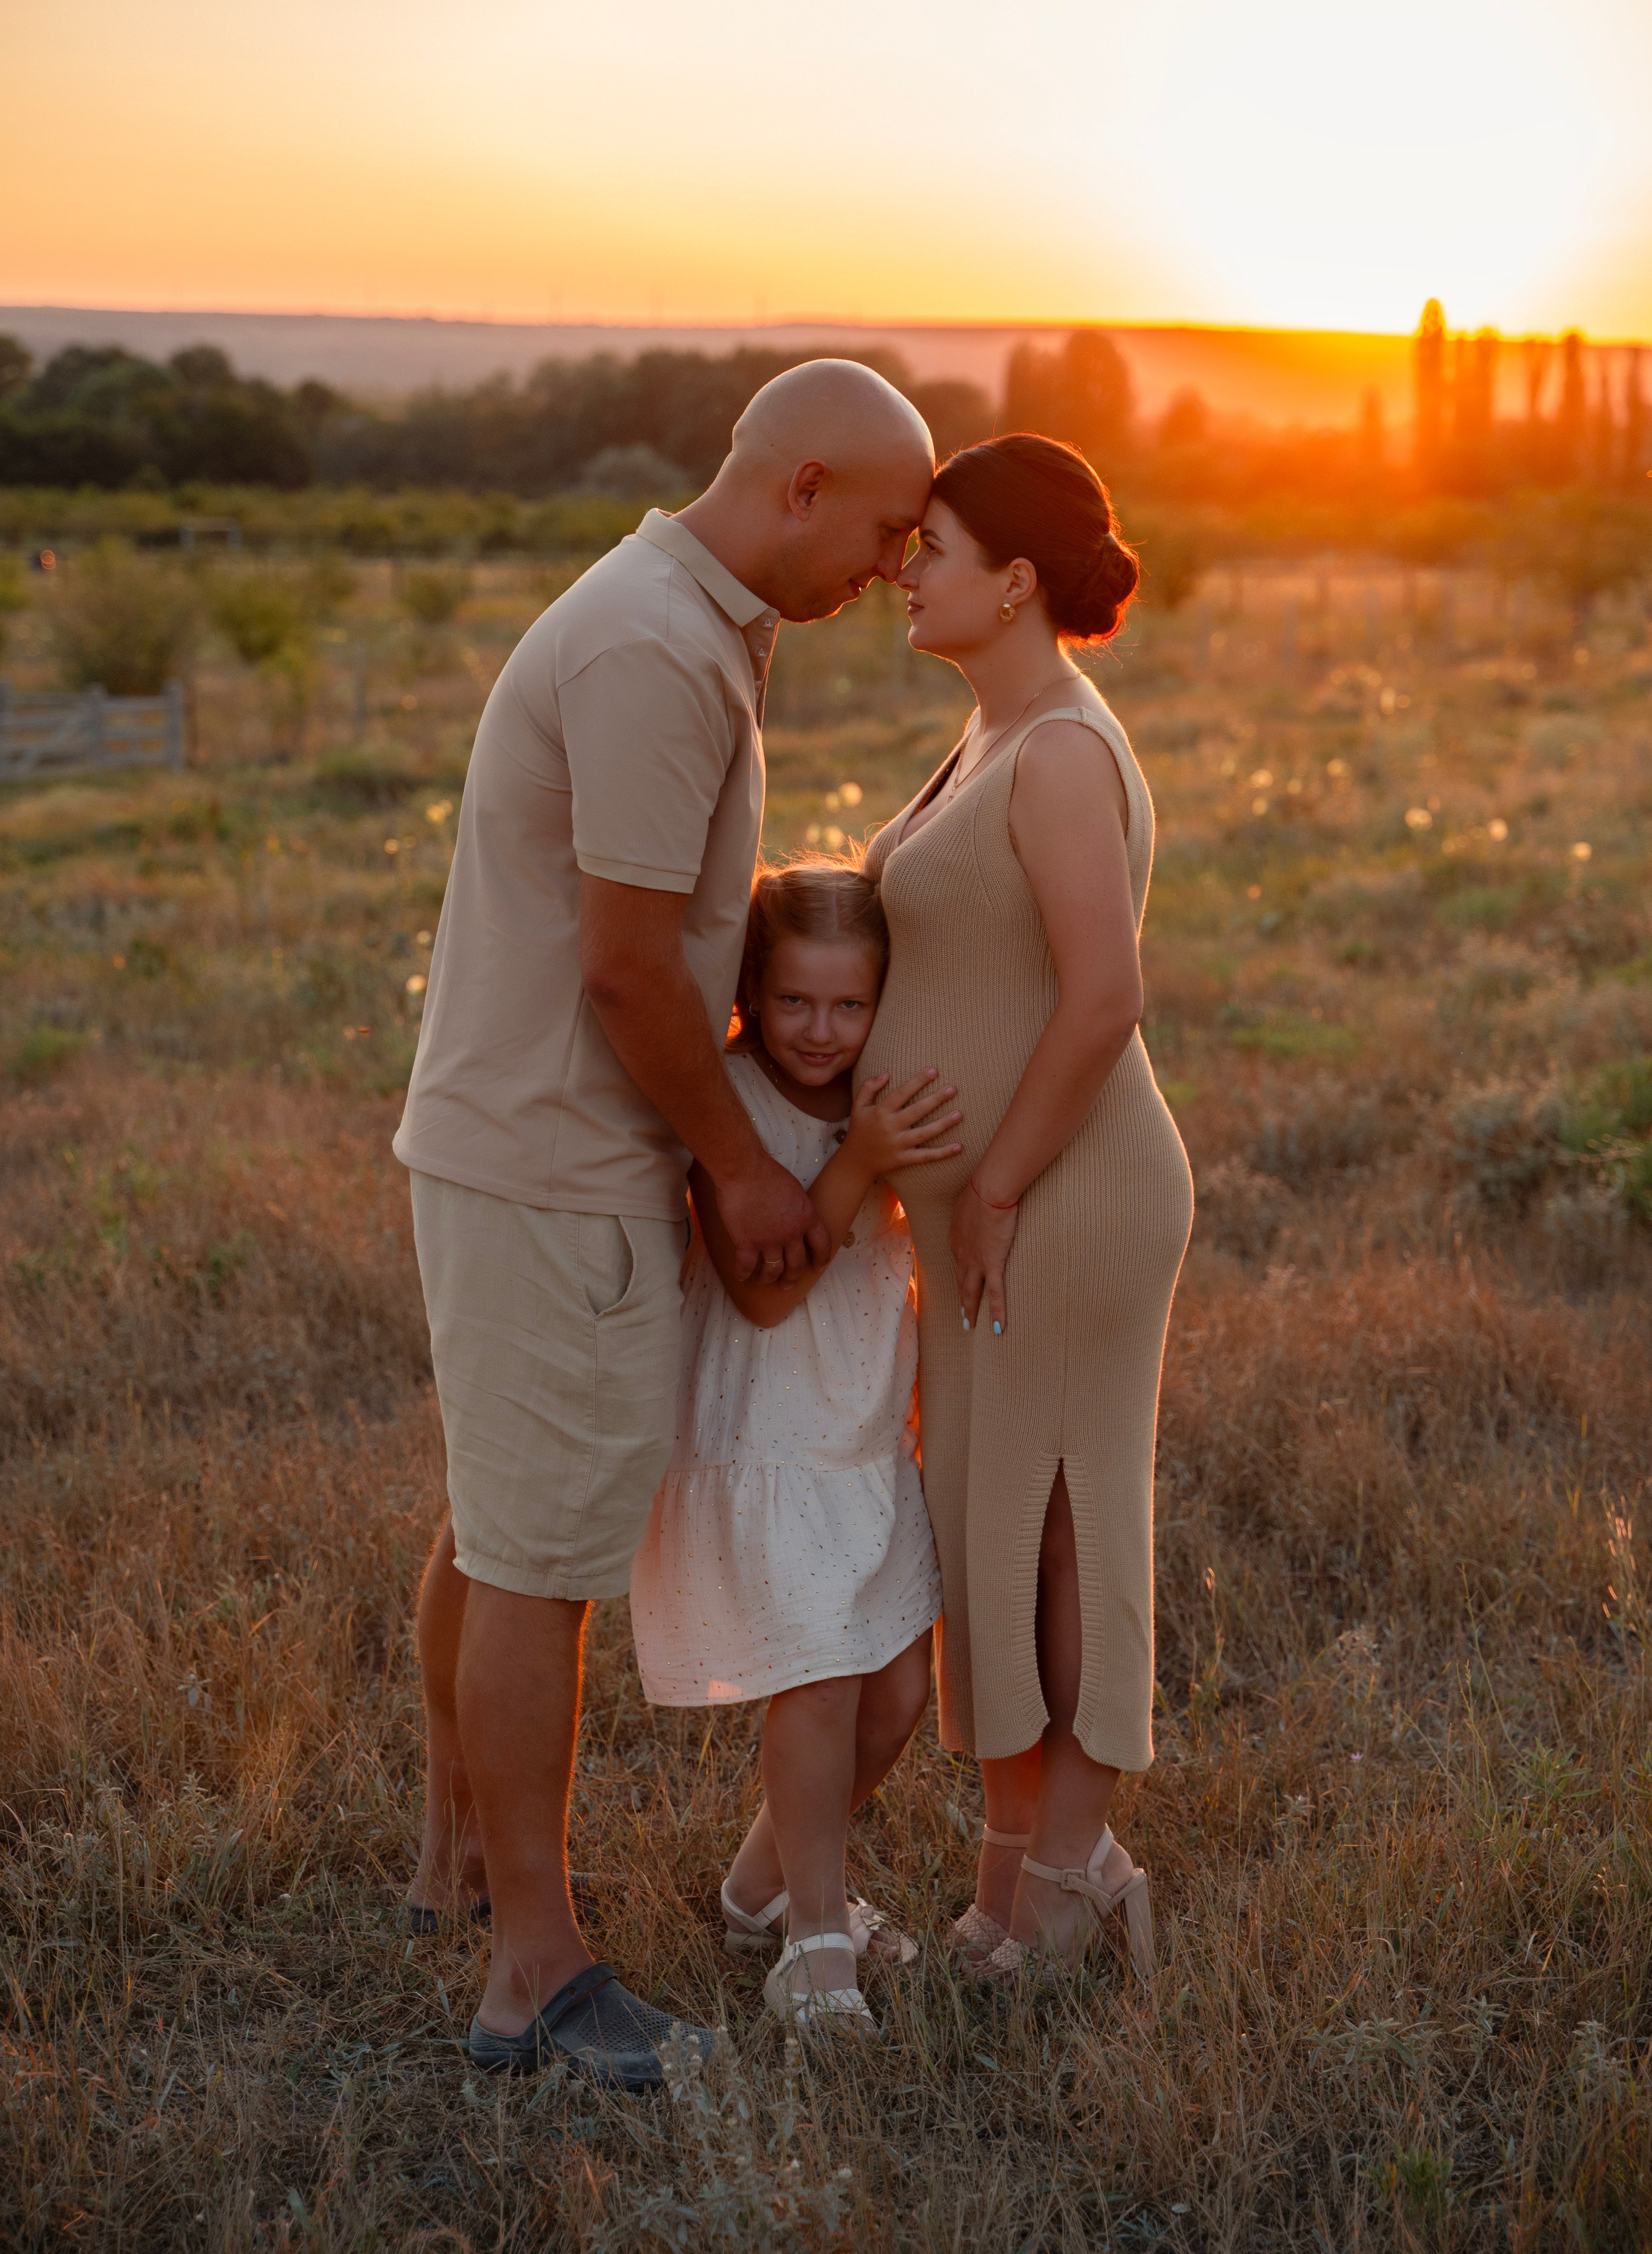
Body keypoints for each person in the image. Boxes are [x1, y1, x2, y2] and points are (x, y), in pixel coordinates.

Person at [392, 361, 934, 2085]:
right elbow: (628, 968)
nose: (892, 560)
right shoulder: (653, 647)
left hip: (531, 1145)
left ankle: (453, 1862)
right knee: (543, 1565)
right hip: (557, 1161)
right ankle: (534, 1983)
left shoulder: (689, 623)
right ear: (802, 487)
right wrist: (745, 1167)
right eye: (886, 525)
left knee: (499, 1520)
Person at [858, 434, 1193, 1987]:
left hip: (1063, 1198)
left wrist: (987, 1185)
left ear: (1012, 579)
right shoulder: (991, 731)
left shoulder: (1058, 746)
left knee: (1060, 1529)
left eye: (926, 544)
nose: (897, 567)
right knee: (982, 1525)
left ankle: (1065, 1877)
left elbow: (1103, 994)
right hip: (989, 1211)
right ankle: (1020, 1880)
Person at [629, 862, 959, 2037]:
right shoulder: (729, 1107)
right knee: (819, 1680)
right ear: (752, 994)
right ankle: (816, 1945)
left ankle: (760, 1888)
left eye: (849, 1007)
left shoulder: (878, 1088)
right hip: (767, 1429)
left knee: (896, 1691)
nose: (820, 1034)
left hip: (862, 1430)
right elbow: (766, 1301)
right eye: (793, 1005)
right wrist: (862, 1162)